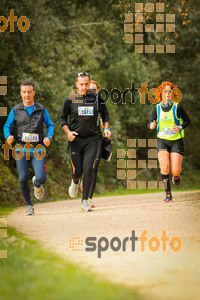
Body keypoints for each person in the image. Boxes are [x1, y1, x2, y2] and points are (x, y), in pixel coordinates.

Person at [60, 72, 111, 212]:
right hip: (75, 140)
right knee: (78, 170)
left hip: (92, 139)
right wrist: (68, 132)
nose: (84, 87)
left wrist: (106, 128)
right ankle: (75, 181)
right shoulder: (70, 99)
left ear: (89, 84)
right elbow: (62, 118)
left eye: (86, 84)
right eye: (81, 84)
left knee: (89, 168)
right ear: (76, 84)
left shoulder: (96, 98)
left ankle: (85, 201)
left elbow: (106, 114)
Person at [3, 80, 54, 215]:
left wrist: (48, 137)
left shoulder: (41, 109)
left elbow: (50, 125)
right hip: (20, 148)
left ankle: (37, 183)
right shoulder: (15, 110)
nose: (27, 95)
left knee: (42, 178)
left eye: (29, 92)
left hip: (38, 149)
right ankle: (29, 206)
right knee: (22, 178)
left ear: (34, 93)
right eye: (24, 92)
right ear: (21, 93)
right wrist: (8, 136)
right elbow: (7, 126)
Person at [148, 81, 190, 203]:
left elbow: (187, 121)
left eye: (170, 92)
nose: (167, 94)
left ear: (173, 94)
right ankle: (168, 195)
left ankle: (176, 176)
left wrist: (180, 127)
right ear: (160, 93)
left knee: (175, 170)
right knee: (164, 168)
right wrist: (151, 125)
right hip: (162, 141)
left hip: (176, 141)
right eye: (165, 91)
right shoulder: (156, 108)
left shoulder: (178, 107)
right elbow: (150, 123)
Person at [80, 80, 111, 208]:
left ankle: (88, 198)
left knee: (94, 165)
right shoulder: (80, 101)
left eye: (95, 90)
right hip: (82, 139)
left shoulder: (99, 102)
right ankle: (80, 179)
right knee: (84, 166)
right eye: (90, 89)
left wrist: (106, 129)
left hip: (97, 138)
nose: (92, 91)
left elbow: (106, 118)